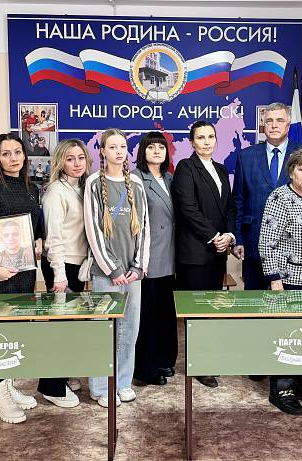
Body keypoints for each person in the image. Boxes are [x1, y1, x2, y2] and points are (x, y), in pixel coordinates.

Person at [0, 133, 67, 424]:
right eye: (6, 154)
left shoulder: (31, 188)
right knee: (0, 338)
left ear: (25, 155)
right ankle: (0, 398)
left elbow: (34, 228)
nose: (13, 158)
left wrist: (38, 241)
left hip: (24, 274)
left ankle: (10, 388)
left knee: (17, 335)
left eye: (18, 152)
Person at [258, 147, 302, 415]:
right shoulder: (280, 197)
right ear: (292, 172)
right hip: (289, 280)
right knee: (287, 335)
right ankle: (281, 389)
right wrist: (274, 278)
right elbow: (266, 241)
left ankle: (299, 382)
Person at [83, 128, 149, 408]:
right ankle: (100, 387)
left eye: (123, 146)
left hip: (133, 274)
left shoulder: (136, 183)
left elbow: (144, 228)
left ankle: (122, 383)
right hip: (106, 273)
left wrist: (138, 266)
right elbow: (94, 231)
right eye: (112, 147)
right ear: (102, 151)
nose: (119, 151)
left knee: (129, 330)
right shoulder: (93, 183)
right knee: (104, 330)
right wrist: (113, 269)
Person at [233, 101, 302, 290]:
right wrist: (238, 239)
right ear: (263, 125)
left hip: (295, 254)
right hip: (253, 245)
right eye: (269, 121)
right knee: (255, 303)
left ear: (288, 125)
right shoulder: (246, 156)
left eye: (279, 120)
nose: (274, 125)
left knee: (289, 306)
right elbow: (238, 201)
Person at [171, 120, 236, 388]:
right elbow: (188, 208)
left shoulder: (220, 169)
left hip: (218, 252)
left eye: (211, 136)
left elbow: (229, 207)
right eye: (201, 137)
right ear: (192, 142)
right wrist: (214, 236)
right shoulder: (186, 168)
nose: (207, 141)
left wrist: (229, 236)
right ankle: (197, 364)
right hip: (195, 252)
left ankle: (207, 357)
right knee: (197, 312)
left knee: (212, 309)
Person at [41, 138, 92, 399]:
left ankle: (65, 374)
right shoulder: (55, 192)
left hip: (76, 264)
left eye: (80, 158)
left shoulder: (83, 188)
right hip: (60, 265)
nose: (76, 163)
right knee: (59, 326)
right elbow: (54, 239)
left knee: (71, 323)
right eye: (70, 159)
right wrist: (59, 276)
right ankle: (51, 387)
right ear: (61, 162)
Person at [132, 131, 177, 386]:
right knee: (147, 316)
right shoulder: (136, 178)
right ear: (143, 152)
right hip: (149, 257)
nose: (157, 151)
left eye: (161, 146)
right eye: (151, 147)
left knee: (165, 314)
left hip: (170, 255)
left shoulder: (171, 178)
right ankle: (144, 369)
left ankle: (163, 360)